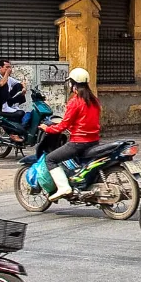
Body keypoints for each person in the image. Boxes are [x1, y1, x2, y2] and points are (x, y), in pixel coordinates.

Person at [40, 68, 101, 201]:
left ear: (73, 84)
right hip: (94, 141)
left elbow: (63, 125)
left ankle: (63, 187)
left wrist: (47, 128)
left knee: (50, 159)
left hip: (78, 143)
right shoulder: (94, 101)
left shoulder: (75, 101)